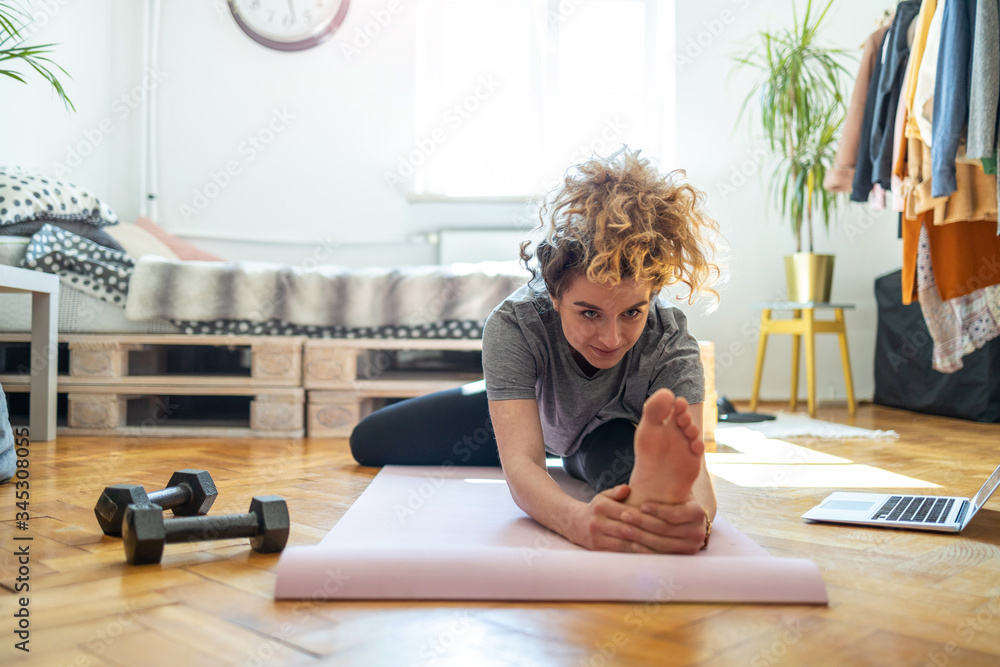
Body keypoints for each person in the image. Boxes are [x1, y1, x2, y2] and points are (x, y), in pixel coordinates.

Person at [350, 147, 722, 554]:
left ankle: (600, 470)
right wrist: (576, 521)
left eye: (632, 312)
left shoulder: (670, 339)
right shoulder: (514, 324)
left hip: (607, 435)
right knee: (369, 440)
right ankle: (513, 424)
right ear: (555, 295)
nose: (612, 338)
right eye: (590, 313)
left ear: (652, 294)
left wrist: (697, 519)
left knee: (630, 478)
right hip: (526, 407)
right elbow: (525, 466)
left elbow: (696, 473)